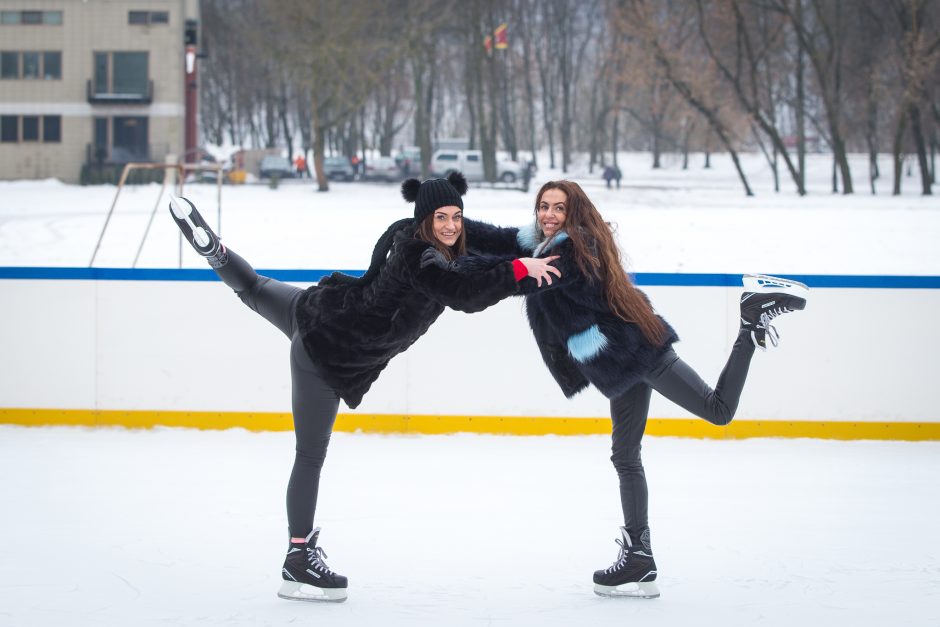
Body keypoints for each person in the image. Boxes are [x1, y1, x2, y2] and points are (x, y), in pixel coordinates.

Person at [166, 172, 560, 603]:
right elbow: (464, 293)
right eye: (441, 218)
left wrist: (541, 235)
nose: (451, 225)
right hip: (325, 355)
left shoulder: (434, 236)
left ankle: (214, 250)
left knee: (253, 286)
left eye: (456, 216)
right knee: (310, 455)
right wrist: (521, 269)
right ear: (423, 219)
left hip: (313, 307)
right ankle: (298, 559)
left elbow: (496, 241)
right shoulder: (419, 256)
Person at [462, 180, 808, 599]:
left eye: (558, 208)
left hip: (640, 352)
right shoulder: (541, 244)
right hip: (617, 367)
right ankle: (639, 558)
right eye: (543, 206)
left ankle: (751, 320)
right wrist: (445, 218)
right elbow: (496, 240)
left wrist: (486, 275)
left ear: (574, 213)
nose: (549, 214)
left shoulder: (573, 249)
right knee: (625, 456)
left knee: (718, 410)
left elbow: (523, 279)